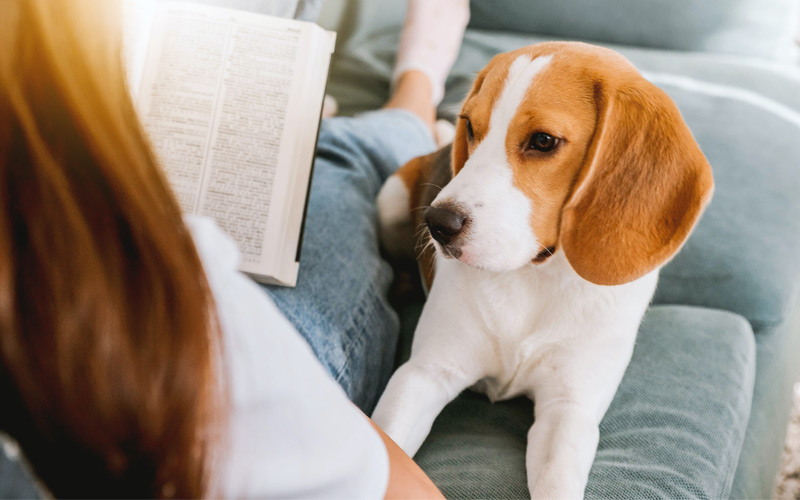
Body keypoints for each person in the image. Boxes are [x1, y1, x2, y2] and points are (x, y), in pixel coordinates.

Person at [0, 0, 468, 498]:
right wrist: (300, 386)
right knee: (338, 161)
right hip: (181, 353)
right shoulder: (154, 305)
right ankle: (413, 99)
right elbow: (408, 491)